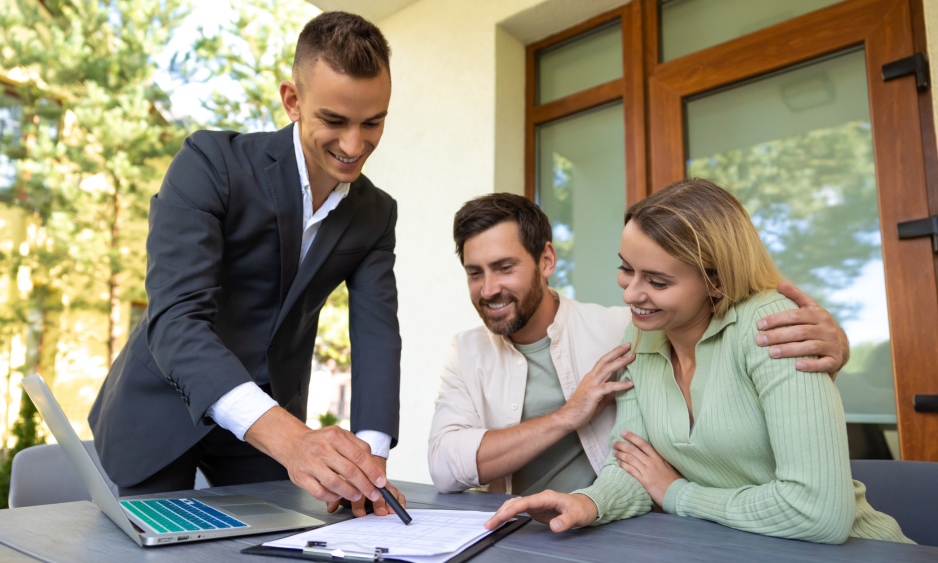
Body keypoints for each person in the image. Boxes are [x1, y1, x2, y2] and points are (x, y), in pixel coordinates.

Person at [89, 11, 405, 517]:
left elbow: (376, 336)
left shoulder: (375, 213)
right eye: (334, 121)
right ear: (292, 100)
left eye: (373, 122)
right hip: (162, 408)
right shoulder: (210, 163)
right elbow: (176, 319)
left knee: (276, 543)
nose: (354, 145)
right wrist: (294, 441)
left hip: (264, 427)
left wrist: (370, 462)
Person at [483, 179, 912, 544]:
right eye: (626, 269)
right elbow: (633, 466)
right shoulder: (644, 334)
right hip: (735, 547)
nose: (631, 294)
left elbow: (818, 511)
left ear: (717, 281)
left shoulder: (770, 326)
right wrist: (587, 502)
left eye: (657, 280)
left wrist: (677, 494)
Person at [429, 193, 850, 496]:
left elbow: (720, 318)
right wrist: (567, 415)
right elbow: (446, 469)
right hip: (522, 528)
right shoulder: (465, 353)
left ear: (546, 261)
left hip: (624, 528)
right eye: (474, 273)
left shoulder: (627, 330)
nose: (488, 289)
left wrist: (836, 345)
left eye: (504, 268)